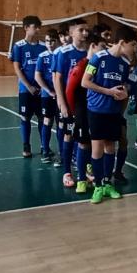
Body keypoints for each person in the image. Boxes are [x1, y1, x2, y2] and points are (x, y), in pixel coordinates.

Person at [82, 27, 137, 203]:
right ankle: (98, 186)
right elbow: (85, 82)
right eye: (132, 45)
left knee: (110, 147)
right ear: (122, 43)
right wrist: (108, 91)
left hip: (113, 111)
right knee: (97, 148)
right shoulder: (98, 58)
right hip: (97, 110)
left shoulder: (124, 64)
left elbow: (124, 86)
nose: (134, 49)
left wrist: (125, 92)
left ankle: (107, 183)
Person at [63, 32, 105, 194]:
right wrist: (74, 111)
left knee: (96, 144)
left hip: (96, 110)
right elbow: (69, 90)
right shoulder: (82, 66)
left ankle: (93, 175)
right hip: (82, 111)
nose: (104, 51)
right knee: (83, 143)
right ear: (93, 46)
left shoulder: (100, 65)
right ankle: (81, 179)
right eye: (102, 47)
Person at [52, 20, 91, 186]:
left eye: (86, 30)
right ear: (71, 33)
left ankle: (86, 168)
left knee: (85, 137)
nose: (85, 33)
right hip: (70, 101)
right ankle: (67, 171)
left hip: (87, 101)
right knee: (68, 134)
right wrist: (61, 101)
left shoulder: (91, 51)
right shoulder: (64, 52)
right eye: (81, 30)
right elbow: (57, 78)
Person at [9, 15, 48, 158]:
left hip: (42, 90)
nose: (38, 30)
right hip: (25, 90)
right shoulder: (18, 46)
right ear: (26, 28)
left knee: (43, 118)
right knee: (25, 117)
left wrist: (44, 87)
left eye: (39, 27)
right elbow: (17, 68)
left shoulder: (43, 46)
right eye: (35, 27)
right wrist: (29, 86)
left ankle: (45, 146)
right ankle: (26, 145)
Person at [33, 28, 61, 162]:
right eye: (47, 41)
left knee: (61, 123)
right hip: (47, 95)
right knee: (47, 121)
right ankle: (45, 150)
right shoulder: (42, 56)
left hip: (60, 96)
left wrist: (59, 92)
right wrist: (49, 91)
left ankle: (62, 151)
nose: (49, 43)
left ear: (57, 41)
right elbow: (37, 76)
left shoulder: (61, 54)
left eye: (52, 40)